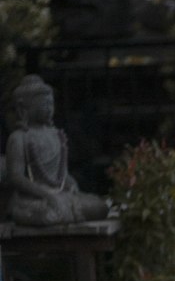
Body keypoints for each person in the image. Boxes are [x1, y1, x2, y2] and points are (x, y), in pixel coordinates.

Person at [3, 76, 107, 227]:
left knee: (100, 206)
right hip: (32, 199)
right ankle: (64, 212)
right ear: (23, 108)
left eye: (51, 103)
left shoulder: (56, 135)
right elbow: (16, 178)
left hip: (60, 194)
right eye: (44, 104)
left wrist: (73, 186)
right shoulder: (19, 138)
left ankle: (65, 210)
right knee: (48, 213)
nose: (50, 108)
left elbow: (63, 174)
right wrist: (45, 194)